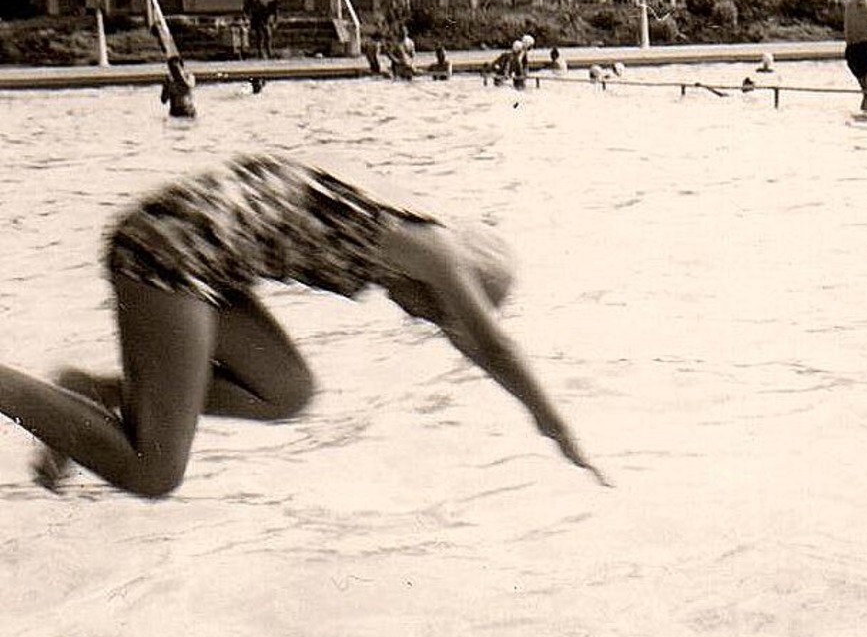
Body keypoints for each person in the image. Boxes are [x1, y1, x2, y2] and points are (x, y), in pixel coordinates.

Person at [1, 154, 609, 498]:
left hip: (200, 253)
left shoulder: (410, 227)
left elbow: (472, 341)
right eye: (436, 313)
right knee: (154, 470)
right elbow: (491, 346)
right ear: (454, 288)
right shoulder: (438, 252)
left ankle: (90, 395)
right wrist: (553, 424)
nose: (425, 321)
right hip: (174, 252)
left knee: (288, 390)